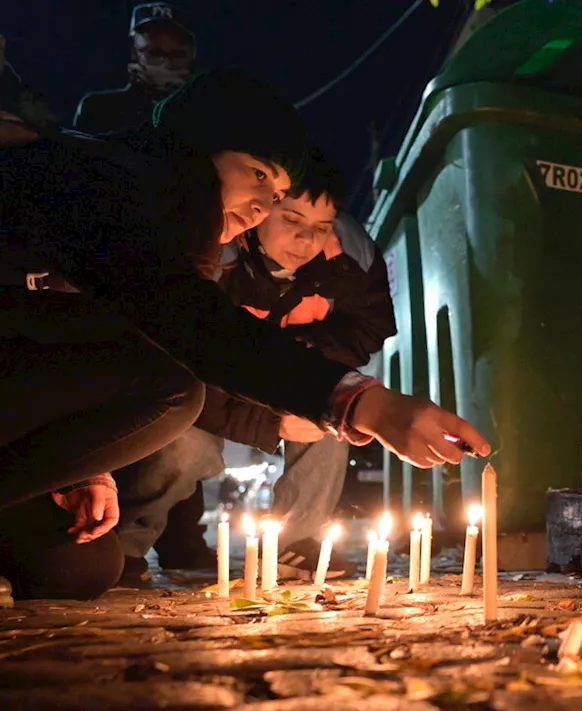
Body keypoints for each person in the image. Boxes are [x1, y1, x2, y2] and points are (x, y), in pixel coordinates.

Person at [0, 68, 490, 600]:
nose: (261, 206)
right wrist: (360, 403)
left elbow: (104, 347)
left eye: (276, 191)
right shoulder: (101, 183)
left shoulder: (164, 228)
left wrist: (82, 472)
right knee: (173, 390)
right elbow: (197, 331)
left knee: (82, 569)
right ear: (196, 149)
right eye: (257, 174)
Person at [116, 147, 396, 584]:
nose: (307, 241)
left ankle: (294, 542)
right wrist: (267, 423)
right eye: (291, 221)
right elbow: (180, 362)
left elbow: (365, 329)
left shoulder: (350, 261)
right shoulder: (210, 254)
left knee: (334, 409)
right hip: (201, 386)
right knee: (186, 445)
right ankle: (124, 546)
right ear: (260, 210)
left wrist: (306, 362)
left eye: (321, 227)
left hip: (276, 378)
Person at [74, 3, 196, 134]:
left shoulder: (208, 111)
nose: (166, 63)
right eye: (155, 53)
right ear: (134, 51)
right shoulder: (99, 109)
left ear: (193, 54)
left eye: (176, 54)